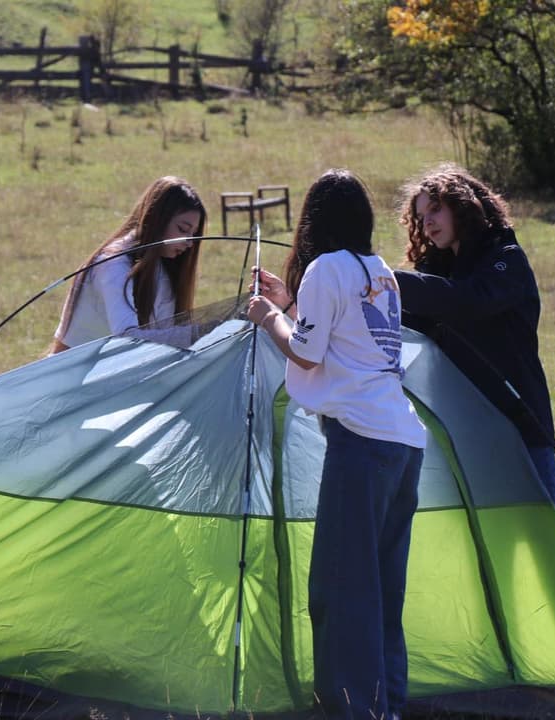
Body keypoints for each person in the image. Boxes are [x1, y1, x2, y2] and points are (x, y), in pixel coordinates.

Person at [247, 169, 426, 720]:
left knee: (340, 588)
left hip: (360, 443)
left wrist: (270, 315)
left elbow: (306, 355)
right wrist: (294, 304)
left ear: (312, 221)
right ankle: (385, 705)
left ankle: (352, 711)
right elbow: (347, 339)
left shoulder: (326, 267)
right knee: (381, 590)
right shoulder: (380, 272)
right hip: (403, 442)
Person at [392, 162, 555, 508]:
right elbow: (399, 325)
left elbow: (468, 301)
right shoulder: (436, 275)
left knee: (544, 536)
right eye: (422, 216)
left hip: (520, 425)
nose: (428, 222)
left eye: (436, 209)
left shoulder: (506, 260)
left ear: (463, 205)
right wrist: (296, 306)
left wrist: (390, 280)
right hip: (463, 429)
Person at [50, 176, 206, 352]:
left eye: (193, 234)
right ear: (158, 219)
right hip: (73, 374)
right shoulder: (112, 264)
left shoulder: (161, 268)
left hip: (113, 372)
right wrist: (201, 332)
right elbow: (127, 337)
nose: (189, 243)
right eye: (183, 230)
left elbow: (165, 334)